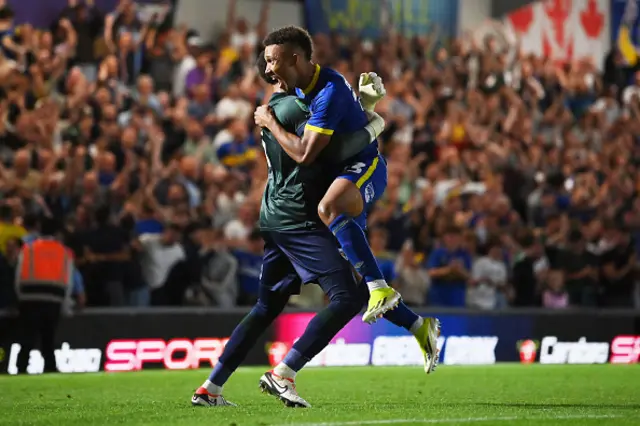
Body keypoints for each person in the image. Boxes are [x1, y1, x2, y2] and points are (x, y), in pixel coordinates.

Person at [191, 53, 439, 409]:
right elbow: (336, 146)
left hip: (275, 216)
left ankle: (210, 388)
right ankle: (285, 373)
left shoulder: (274, 108)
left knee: (267, 306)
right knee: (349, 297)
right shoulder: (293, 109)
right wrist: (373, 118)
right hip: (301, 220)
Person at [254, 25, 400, 323]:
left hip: (364, 165)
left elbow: (311, 153)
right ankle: (417, 326)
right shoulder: (297, 90)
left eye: (273, 61)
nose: (270, 71)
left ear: (294, 59)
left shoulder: (327, 90)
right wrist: (368, 110)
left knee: (328, 208)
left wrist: (375, 121)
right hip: (338, 173)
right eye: (267, 63)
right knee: (346, 255)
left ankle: (380, 288)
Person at [13, 217, 85, 374]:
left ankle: (20, 368)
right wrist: (66, 306)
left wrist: (20, 297)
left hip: (28, 298)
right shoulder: (65, 252)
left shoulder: (28, 249)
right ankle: (50, 368)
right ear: (58, 233)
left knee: (27, 338)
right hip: (53, 300)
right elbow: (67, 282)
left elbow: (18, 277)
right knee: (48, 338)